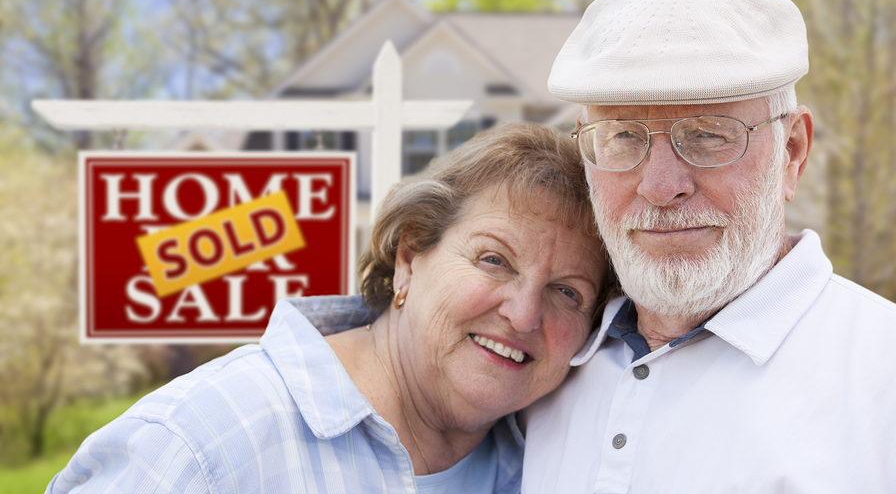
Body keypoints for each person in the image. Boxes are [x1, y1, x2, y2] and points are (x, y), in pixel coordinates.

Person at [47, 121, 608, 494]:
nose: (524, 313)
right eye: (494, 260)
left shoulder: (550, 465)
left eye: (568, 292)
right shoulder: (199, 445)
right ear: (409, 256)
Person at [520, 0, 896, 493]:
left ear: (792, 151)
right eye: (623, 137)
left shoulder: (885, 377)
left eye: (708, 136)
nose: (660, 185)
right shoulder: (536, 362)